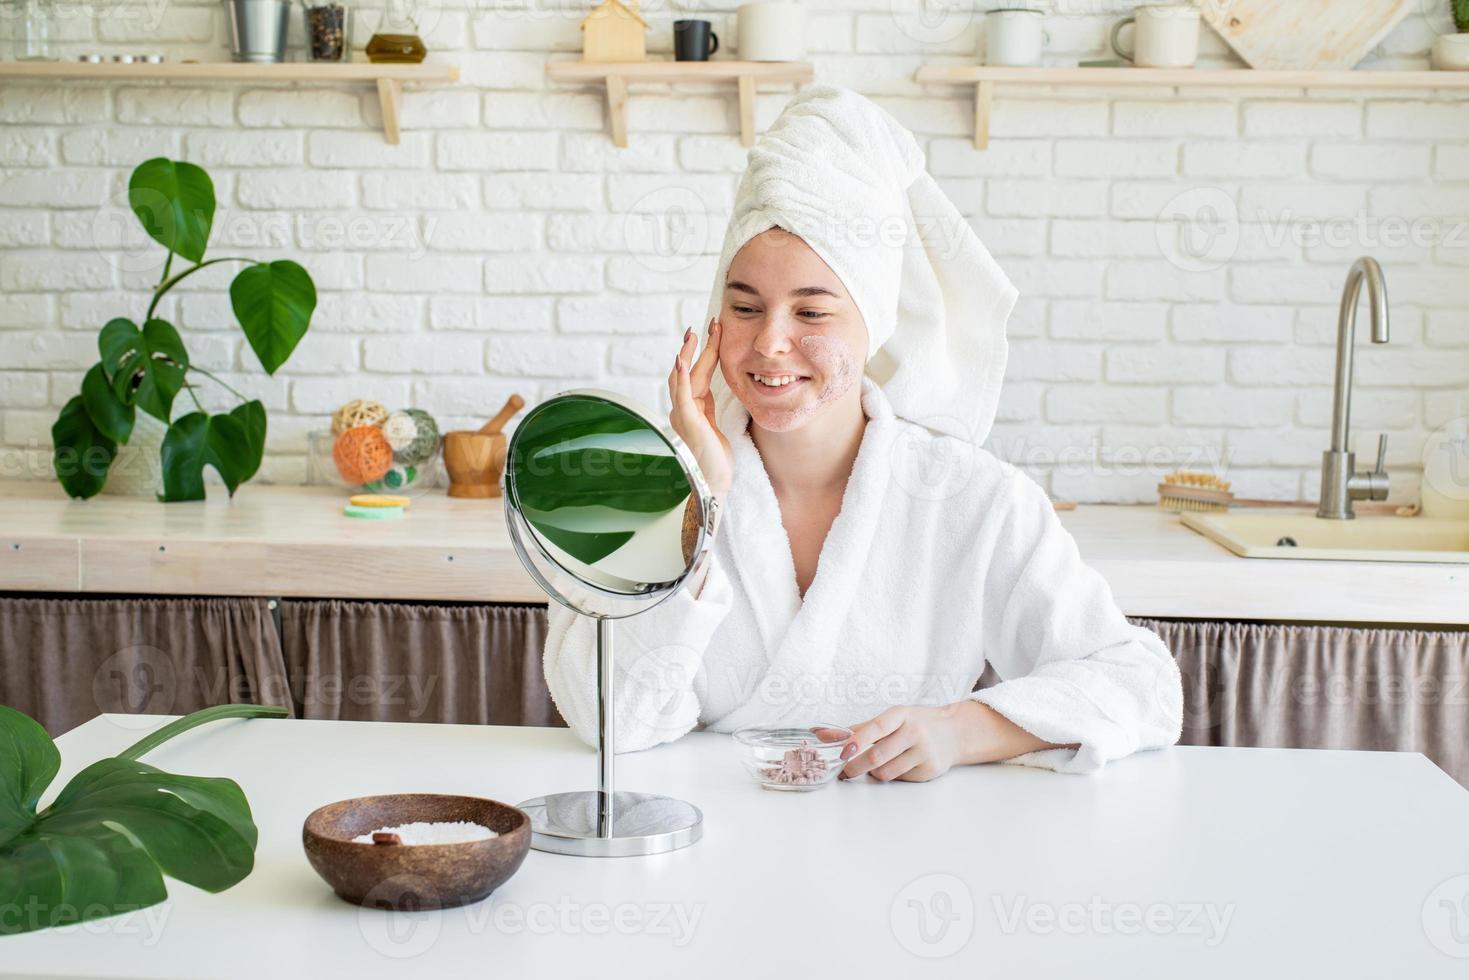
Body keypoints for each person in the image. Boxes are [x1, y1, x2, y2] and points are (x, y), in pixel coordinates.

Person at [544, 84, 1182, 780]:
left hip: (907, 856)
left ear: (872, 322)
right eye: (745, 306)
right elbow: (608, 721)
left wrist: (964, 729)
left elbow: (1141, 685)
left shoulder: (971, 498)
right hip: (700, 844)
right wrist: (699, 500)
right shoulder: (650, 491)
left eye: (812, 314)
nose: (770, 345)